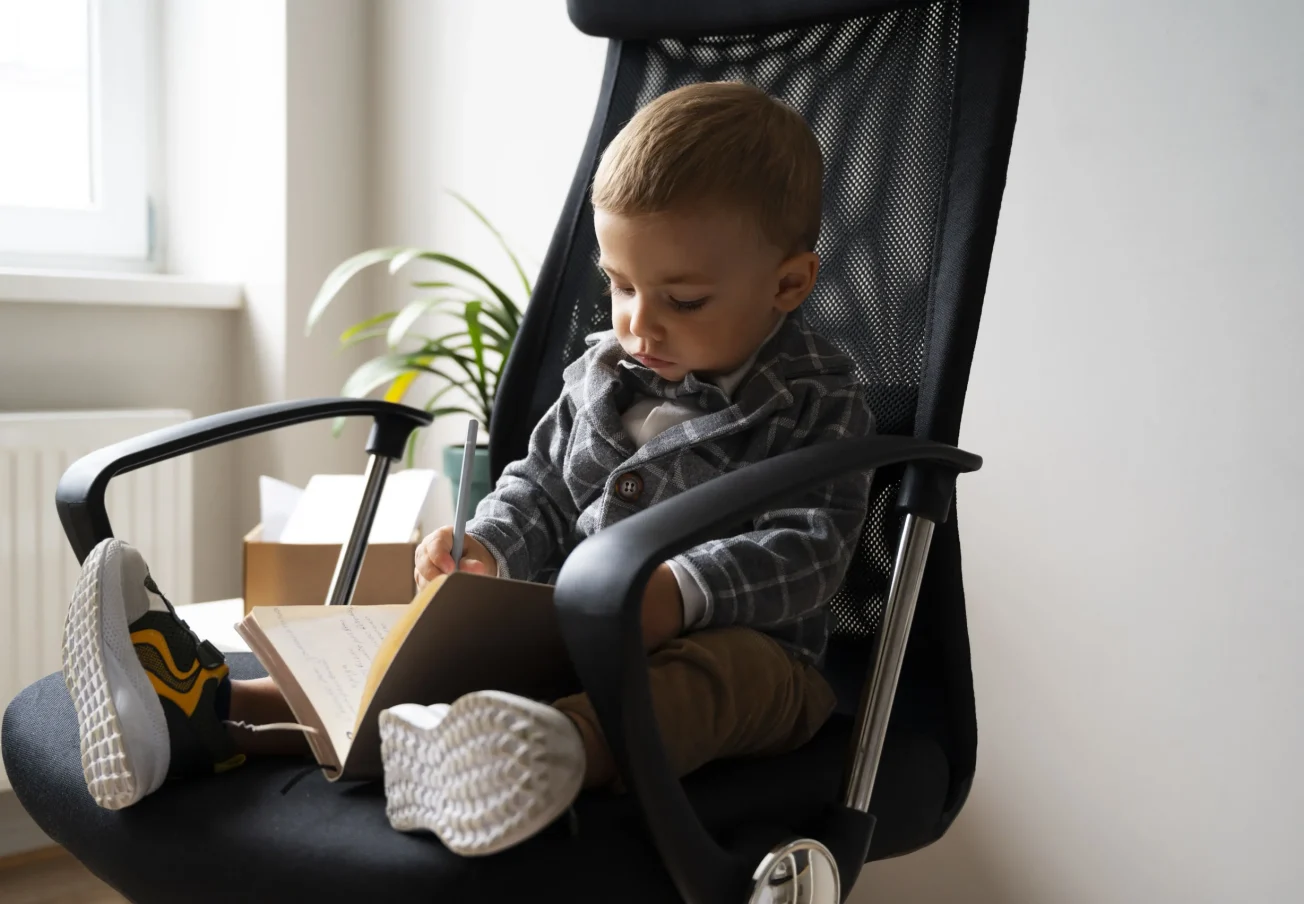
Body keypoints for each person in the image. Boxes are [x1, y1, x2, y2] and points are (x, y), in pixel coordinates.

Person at [61, 81, 875, 859]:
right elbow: (541, 487)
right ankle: (204, 714)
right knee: (432, 652)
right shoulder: (602, 376)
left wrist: (680, 591)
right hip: (565, 634)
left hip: (754, 658)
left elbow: (811, 549)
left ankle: (547, 760)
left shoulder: (816, 404)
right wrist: (488, 548)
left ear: (789, 284)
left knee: (710, 680)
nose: (638, 324)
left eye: (682, 301)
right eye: (620, 286)